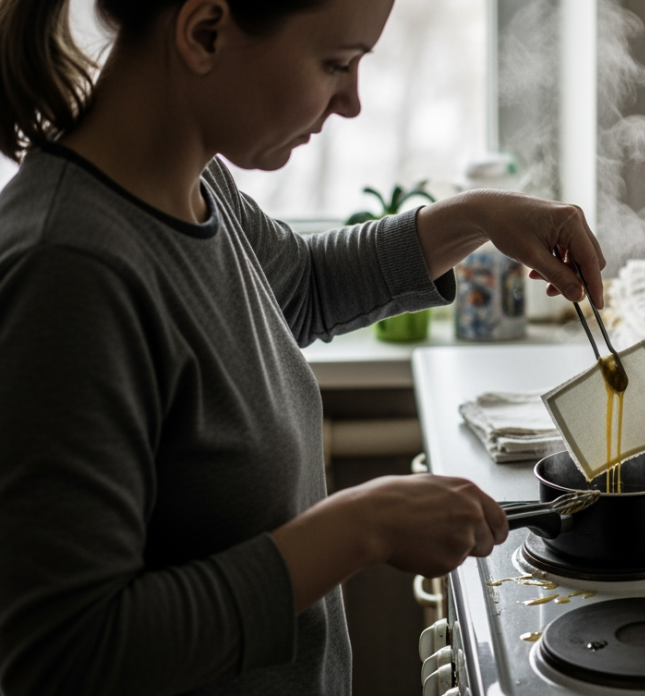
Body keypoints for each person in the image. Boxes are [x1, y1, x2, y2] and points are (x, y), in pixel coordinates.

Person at [0, 0, 606, 693]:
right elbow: (63, 658)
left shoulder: (193, 186)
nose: (351, 102)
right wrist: (357, 530)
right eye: (336, 64)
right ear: (204, 33)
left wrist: (479, 216)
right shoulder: (67, 272)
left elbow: (301, 286)